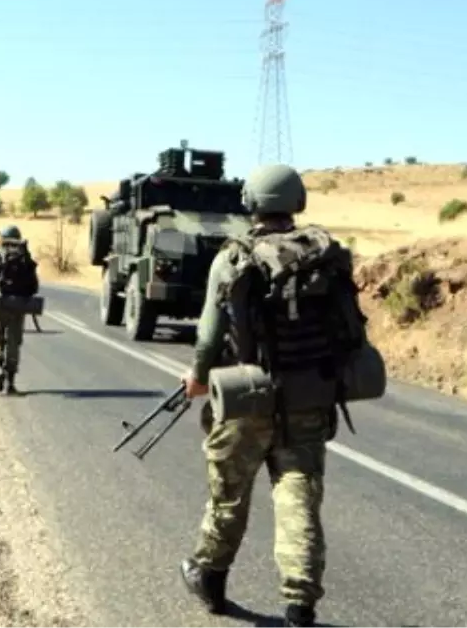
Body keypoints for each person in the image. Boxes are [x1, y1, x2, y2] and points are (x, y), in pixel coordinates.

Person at [178, 164, 360, 628]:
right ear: (296, 201)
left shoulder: (234, 258)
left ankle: (210, 579)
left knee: (229, 496)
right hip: (309, 397)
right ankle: (300, 607)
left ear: (250, 202)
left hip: (246, 397)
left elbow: (206, 338)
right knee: (298, 495)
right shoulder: (326, 254)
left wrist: (198, 378)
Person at [0, 224, 39, 394]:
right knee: (14, 343)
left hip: (0, 306)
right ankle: (10, 384)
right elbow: (34, 287)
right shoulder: (25, 259)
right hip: (18, 307)